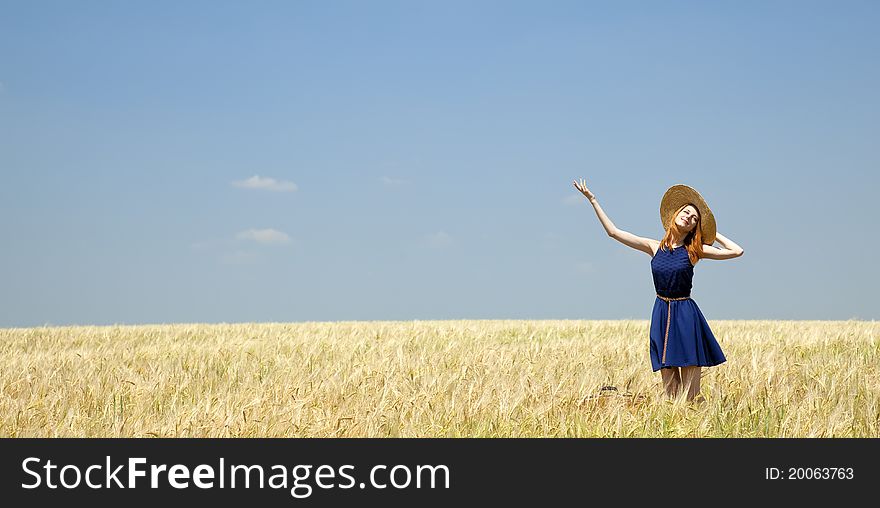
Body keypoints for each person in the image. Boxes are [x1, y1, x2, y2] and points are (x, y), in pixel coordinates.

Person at [572, 179, 744, 403]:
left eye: (694, 219)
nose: (689, 217)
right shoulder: (654, 247)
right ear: (675, 214)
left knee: (691, 395)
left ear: (695, 227)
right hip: (661, 312)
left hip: (685, 314)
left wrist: (712, 231)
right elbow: (613, 232)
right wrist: (593, 200)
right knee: (671, 390)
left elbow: (737, 251)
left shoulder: (695, 250)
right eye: (686, 212)